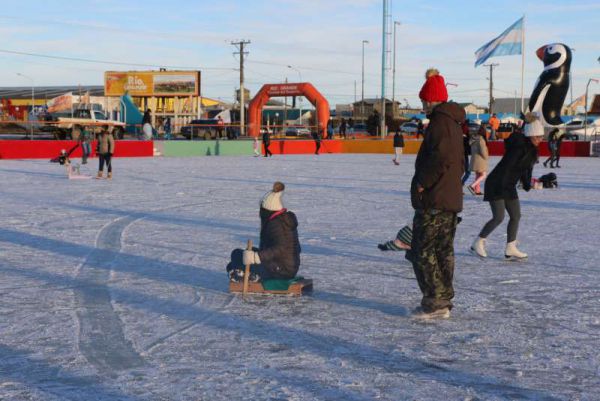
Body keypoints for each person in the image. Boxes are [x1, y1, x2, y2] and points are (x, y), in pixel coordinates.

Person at [409, 68, 465, 319]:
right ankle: (442, 300)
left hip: (435, 198)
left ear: (432, 99)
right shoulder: (452, 122)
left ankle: (435, 301)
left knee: (422, 250)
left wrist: (423, 182)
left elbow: (440, 159)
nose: (422, 105)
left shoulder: (440, 124)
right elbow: (458, 162)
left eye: (423, 100)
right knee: (442, 250)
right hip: (448, 197)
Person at [471, 112, 543, 260]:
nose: (540, 140)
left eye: (541, 137)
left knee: (516, 216)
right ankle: (478, 242)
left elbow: (524, 169)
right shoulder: (520, 147)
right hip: (497, 183)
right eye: (537, 137)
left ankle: (511, 247)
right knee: (498, 217)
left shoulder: (530, 149)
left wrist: (528, 184)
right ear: (530, 135)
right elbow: (514, 166)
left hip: (508, 185)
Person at [227, 182, 301, 283]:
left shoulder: (276, 223)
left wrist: (256, 257)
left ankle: (253, 276)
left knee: (236, 254)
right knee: (235, 262)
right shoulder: (282, 219)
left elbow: (280, 248)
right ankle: (246, 273)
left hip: (281, 271)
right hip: (284, 266)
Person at [467, 124, 489, 195]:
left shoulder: (474, 139)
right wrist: (486, 157)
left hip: (474, 159)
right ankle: (472, 186)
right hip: (480, 160)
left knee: (478, 175)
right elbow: (482, 151)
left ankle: (477, 190)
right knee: (484, 175)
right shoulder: (481, 140)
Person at [461, 120, 471, 185]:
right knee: (467, 172)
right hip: (464, 155)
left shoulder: (458, 135)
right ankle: (460, 185)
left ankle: (459, 185)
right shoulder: (466, 137)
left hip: (460, 154)